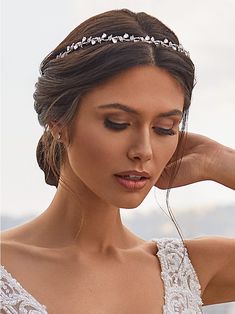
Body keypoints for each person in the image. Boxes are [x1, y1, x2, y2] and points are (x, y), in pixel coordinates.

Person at [0, 8, 234, 314]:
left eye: (165, 129)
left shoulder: (191, 268)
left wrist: (221, 162)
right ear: (59, 121)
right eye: (118, 123)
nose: (144, 150)